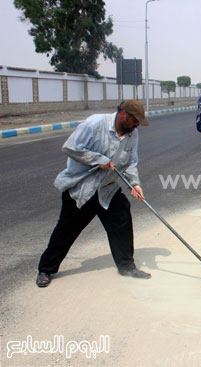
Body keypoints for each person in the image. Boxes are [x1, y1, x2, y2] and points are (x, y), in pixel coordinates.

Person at [36, 100, 151, 288]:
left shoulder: (132, 134)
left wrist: (135, 184)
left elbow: (131, 162)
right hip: (82, 188)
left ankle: (127, 266)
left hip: (107, 188)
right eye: (134, 120)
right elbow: (70, 147)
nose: (137, 125)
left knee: (122, 218)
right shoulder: (94, 123)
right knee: (66, 230)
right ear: (123, 114)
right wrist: (98, 159)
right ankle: (45, 269)